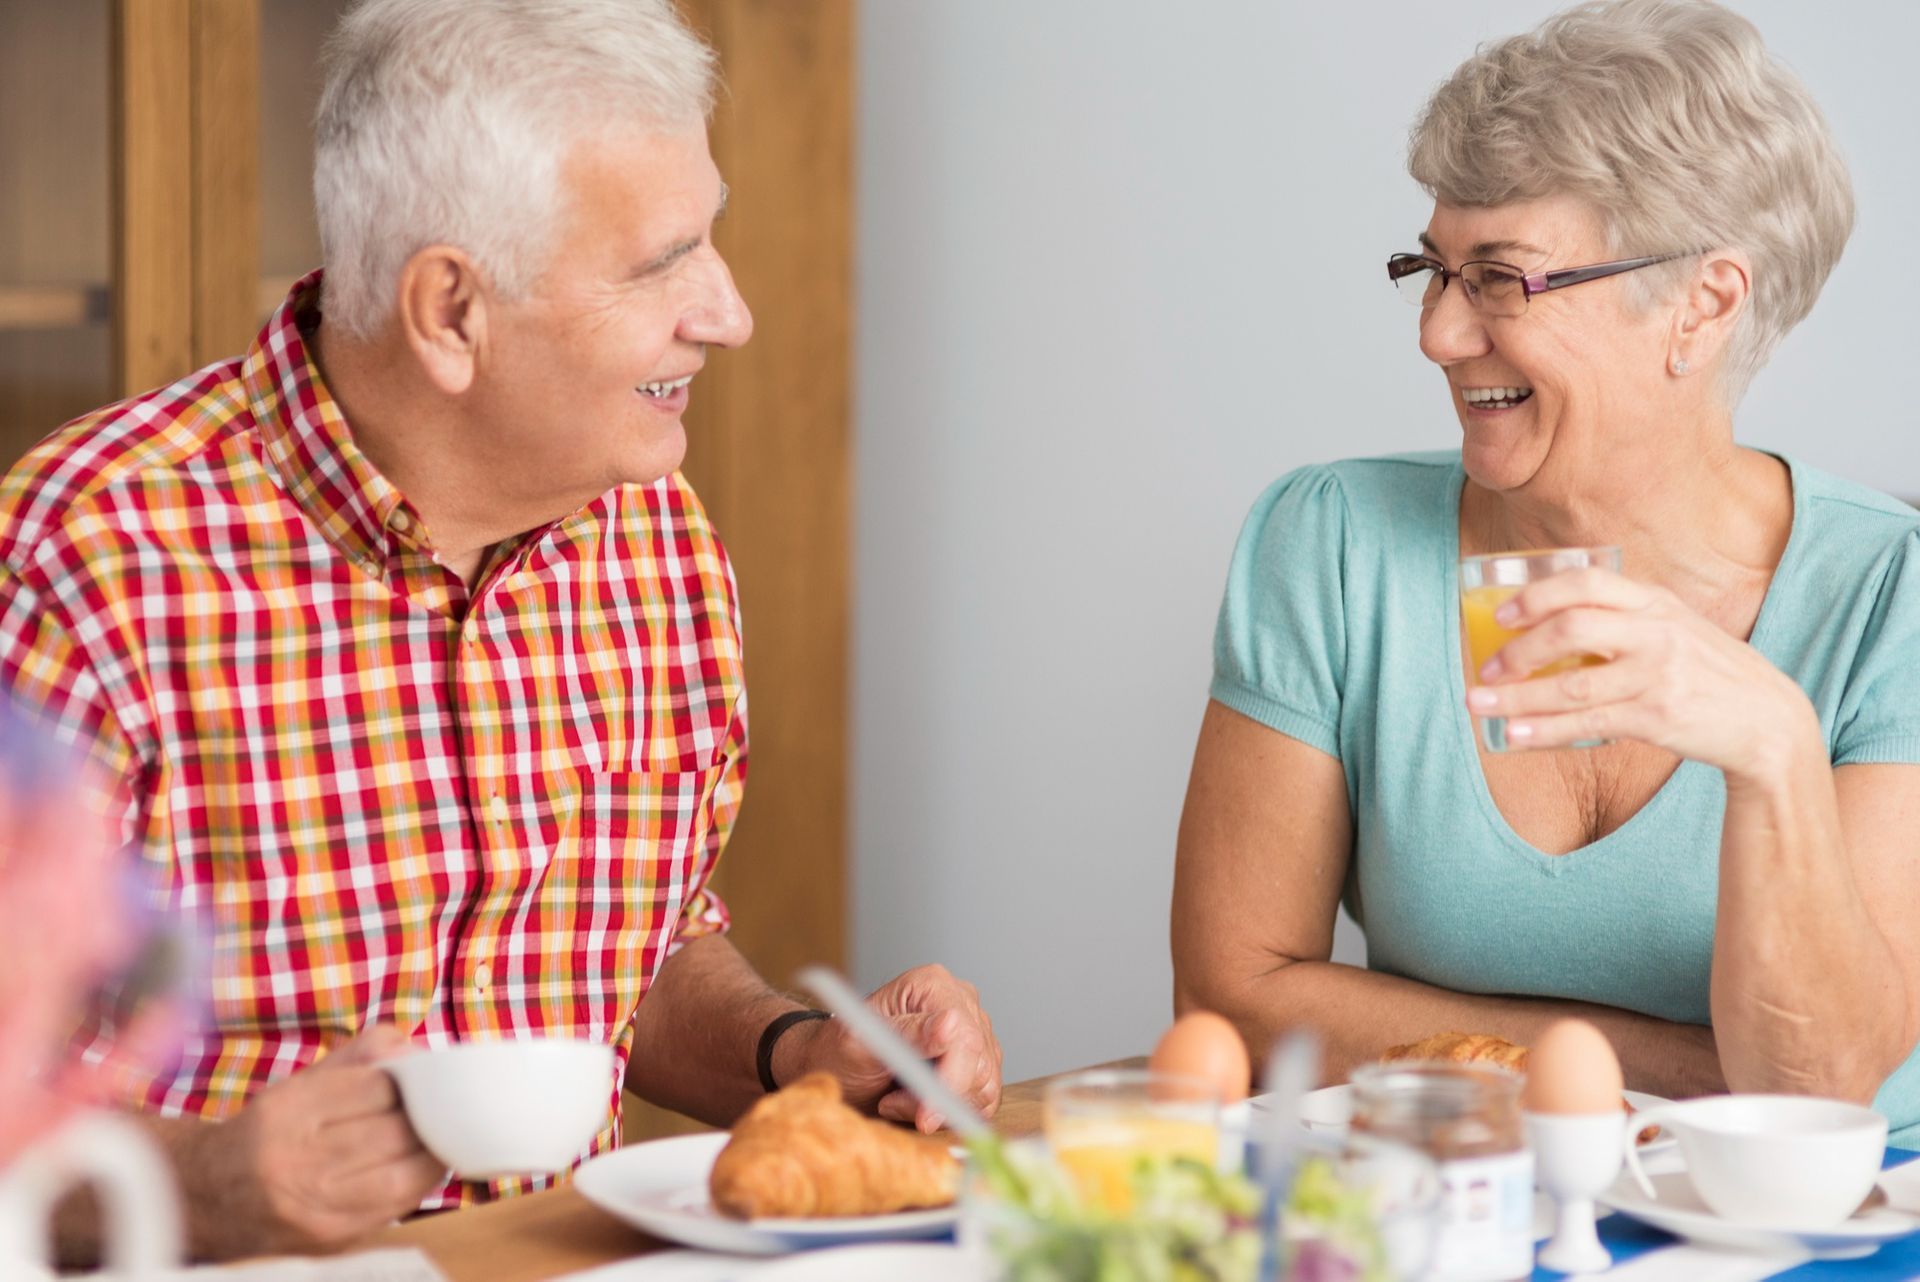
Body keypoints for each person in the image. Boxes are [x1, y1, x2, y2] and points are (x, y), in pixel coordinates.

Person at [0, 0, 1000, 1261]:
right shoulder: (89, 560)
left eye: (715, 238)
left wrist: (794, 1055)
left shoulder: (658, 541)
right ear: (451, 314)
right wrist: (200, 1183)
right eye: (660, 261)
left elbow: (626, 944)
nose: (730, 312)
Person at [1172, 0, 1920, 1142]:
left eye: (1500, 279)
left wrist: (1772, 743)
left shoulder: (1890, 596)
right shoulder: (1329, 543)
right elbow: (1237, 997)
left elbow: (1817, 1097)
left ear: (1702, 303)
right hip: (1461, 1211)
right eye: (1431, 269)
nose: (1437, 334)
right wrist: (1644, 1069)